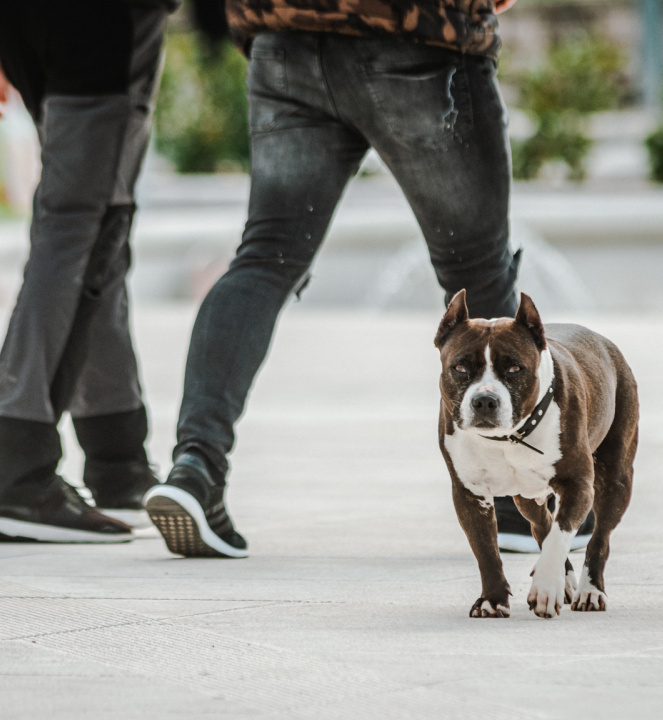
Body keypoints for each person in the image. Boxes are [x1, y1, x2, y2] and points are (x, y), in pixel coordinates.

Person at [142, 0, 593, 558]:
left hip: (286, 36)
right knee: (476, 272)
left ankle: (196, 467)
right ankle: (512, 501)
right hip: (416, 36)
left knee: (264, 259)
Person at [0, 0, 175, 542]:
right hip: (102, 22)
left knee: (98, 220)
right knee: (79, 224)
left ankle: (117, 461)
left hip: (22, 17)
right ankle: (21, 475)